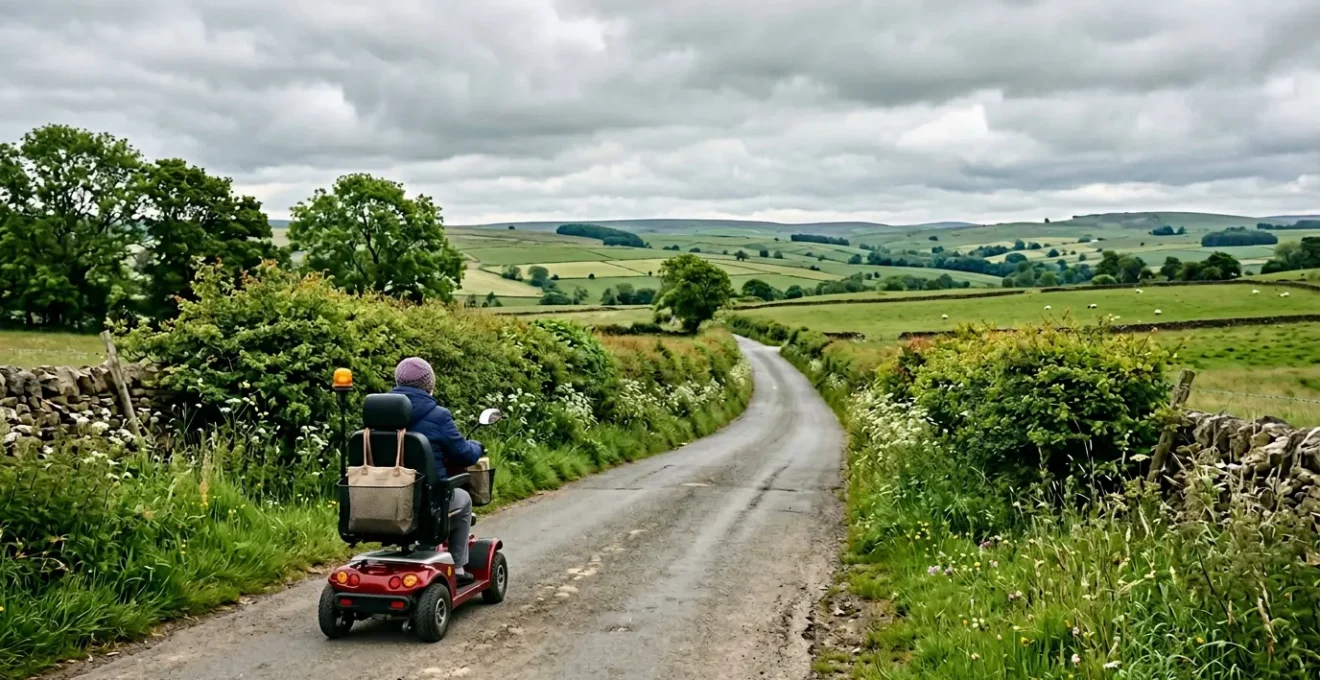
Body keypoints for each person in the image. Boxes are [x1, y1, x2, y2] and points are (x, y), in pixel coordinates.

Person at [391, 357, 483, 584]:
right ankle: (459, 567)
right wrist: (478, 447)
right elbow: (463, 454)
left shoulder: (376, 414)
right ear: (429, 385)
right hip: (426, 504)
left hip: (383, 501)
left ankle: (414, 547)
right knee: (462, 498)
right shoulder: (439, 415)